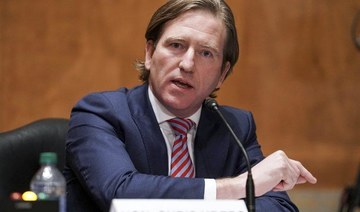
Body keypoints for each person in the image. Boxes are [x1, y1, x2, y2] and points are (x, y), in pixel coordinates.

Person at [64, 0, 317, 211]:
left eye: (206, 53)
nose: (187, 64)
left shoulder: (235, 127)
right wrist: (240, 187)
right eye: (176, 45)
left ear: (222, 73)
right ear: (150, 53)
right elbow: (121, 192)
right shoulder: (101, 113)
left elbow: (279, 208)